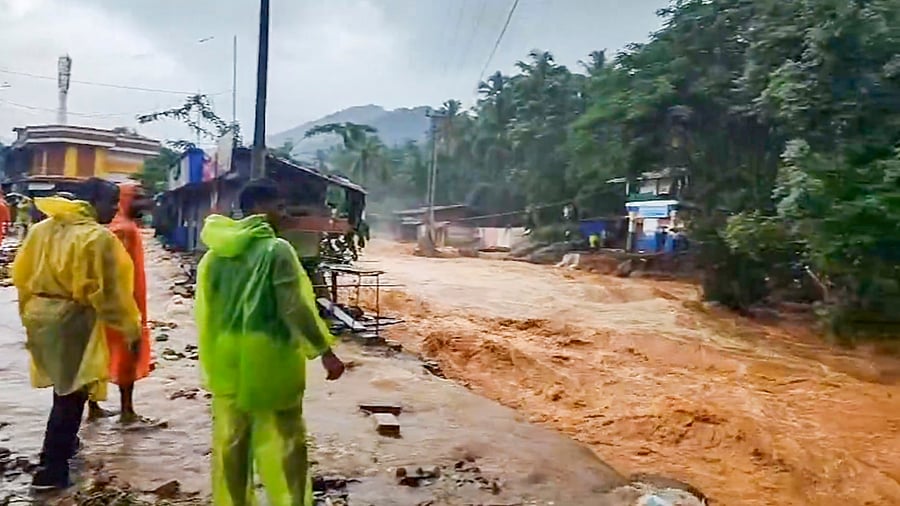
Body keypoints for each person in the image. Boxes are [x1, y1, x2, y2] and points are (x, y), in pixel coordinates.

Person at [195, 179, 345, 506]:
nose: (283, 214)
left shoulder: (215, 255)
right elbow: (294, 307)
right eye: (278, 207)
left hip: (225, 354)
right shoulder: (275, 250)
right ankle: (291, 501)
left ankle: (235, 501)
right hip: (268, 354)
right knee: (285, 437)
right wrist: (324, 351)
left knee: (233, 438)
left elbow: (207, 310)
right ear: (259, 208)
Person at [12, 178, 141, 490]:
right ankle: (51, 468)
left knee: (63, 386)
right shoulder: (98, 238)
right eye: (111, 203)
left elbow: (21, 273)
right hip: (72, 318)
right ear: (93, 201)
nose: (115, 210)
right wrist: (132, 330)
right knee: (72, 394)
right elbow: (112, 294)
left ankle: (66, 448)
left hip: (39, 313)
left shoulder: (43, 228)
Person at [87, 183, 155, 424]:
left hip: (113, 303)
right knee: (127, 354)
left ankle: (93, 409)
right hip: (125, 302)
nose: (145, 203)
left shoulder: (113, 228)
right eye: (139, 198)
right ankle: (127, 412)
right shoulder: (123, 230)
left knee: (98, 354)